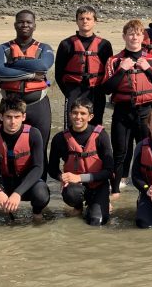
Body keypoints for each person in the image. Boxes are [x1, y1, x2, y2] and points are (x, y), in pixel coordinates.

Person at [101, 19, 152, 195]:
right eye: (130, 34)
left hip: (145, 113)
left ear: (143, 37)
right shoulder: (114, 61)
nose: (134, 37)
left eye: (138, 34)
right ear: (124, 36)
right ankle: (115, 191)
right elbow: (106, 89)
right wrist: (122, 69)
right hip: (122, 112)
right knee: (120, 153)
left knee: (147, 151)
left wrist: (147, 69)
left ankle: (148, 190)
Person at [0, 97, 50, 222]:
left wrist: (18, 193)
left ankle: (37, 213)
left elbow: (38, 168)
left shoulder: (34, 134)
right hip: (1, 183)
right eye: (8, 117)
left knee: (42, 195)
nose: (12, 122)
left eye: (17, 117)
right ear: (1, 117)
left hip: (25, 185)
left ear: (23, 117)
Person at [0, 10, 55, 163]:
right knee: (7, 150)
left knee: (39, 151)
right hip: (10, 105)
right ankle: (9, 185)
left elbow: (43, 64)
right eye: (21, 22)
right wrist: (31, 75)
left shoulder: (44, 48)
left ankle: (39, 185)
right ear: (15, 25)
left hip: (38, 105)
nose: (24, 24)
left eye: (28, 22)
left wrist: (13, 63)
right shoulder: (3, 49)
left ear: (34, 26)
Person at [47, 97, 114, 226]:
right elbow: (52, 169)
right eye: (75, 113)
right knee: (71, 194)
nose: (78, 117)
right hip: (76, 188)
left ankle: (102, 202)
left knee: (96, 222)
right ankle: (78, 207)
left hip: (99, 185)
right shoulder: (60, 139)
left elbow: (109, 171)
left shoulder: (101, 136)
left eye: (83, 113)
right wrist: (62, 177)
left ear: (90, 116)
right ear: (70, 114)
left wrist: (79, 177)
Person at [54, 6, 113, 129]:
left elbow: (109, 72)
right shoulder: (66, 44)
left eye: (88, 18)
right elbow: (58, 74)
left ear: (94, 21)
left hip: (96, 91)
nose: (84, 21)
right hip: (74, 90)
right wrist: (69, 92)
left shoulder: (104, 45)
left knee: (95, 127)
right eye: (81, 18)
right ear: (76, 21)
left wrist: (103, 90)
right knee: (72, 127)